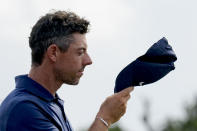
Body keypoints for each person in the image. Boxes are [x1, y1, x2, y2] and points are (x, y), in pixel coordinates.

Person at [0, 10, 134, 131]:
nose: (88, 61)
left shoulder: (49, 104)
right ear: (53, 53)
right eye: (80, 52)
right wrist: (105, 118)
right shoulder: (24, 108)